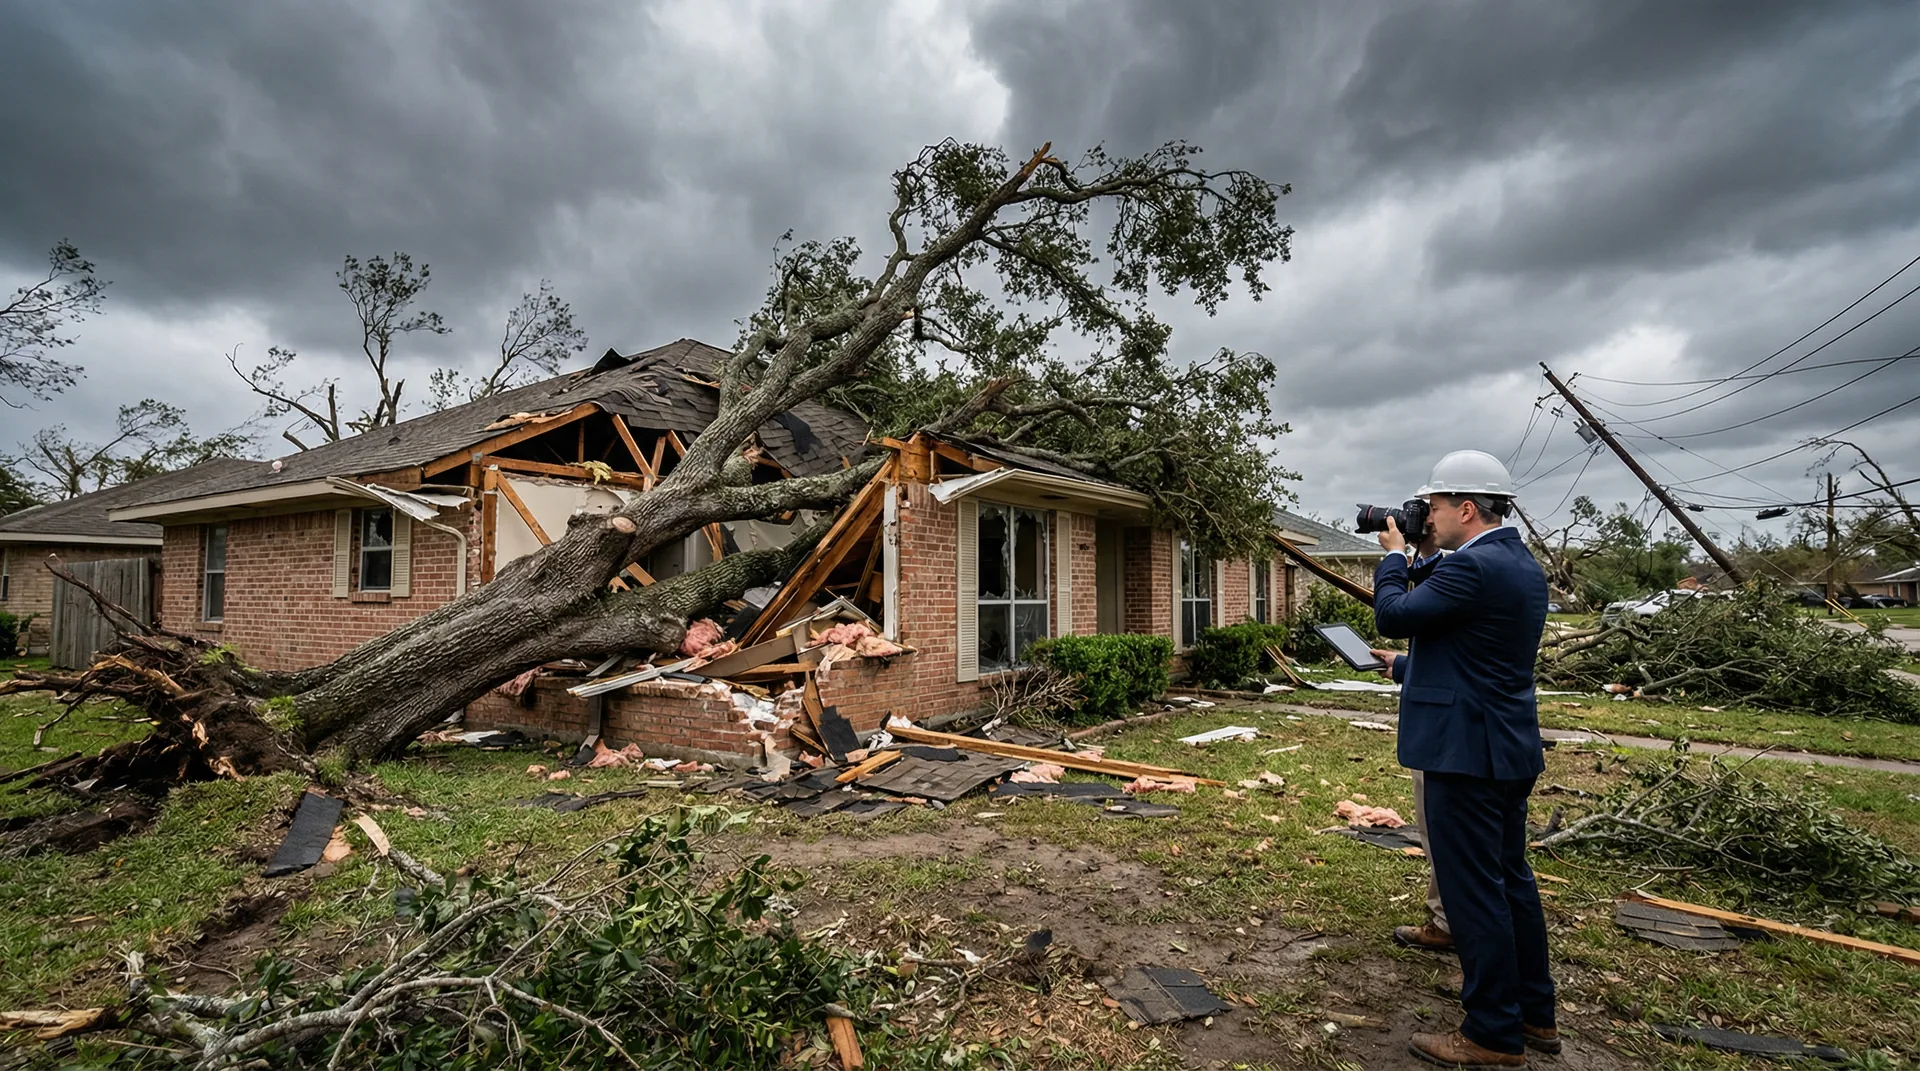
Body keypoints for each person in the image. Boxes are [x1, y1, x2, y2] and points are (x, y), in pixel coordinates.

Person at [1367, 450, 1557, 1068]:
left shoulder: (1473, 567)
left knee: (1473, 891)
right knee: (1510, 883)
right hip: (1505, 745)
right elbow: (1473, 649)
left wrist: (1395, 556)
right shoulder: (1517, 564)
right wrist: (1407, 667)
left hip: (1464, 754)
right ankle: (1534, 1015)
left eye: (1436, 506)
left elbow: (1394, 614)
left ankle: (1491, 1034)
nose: (1427, 516)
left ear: (1466, 508)